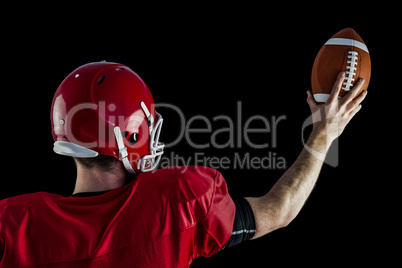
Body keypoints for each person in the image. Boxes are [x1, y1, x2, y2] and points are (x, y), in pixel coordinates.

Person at [0, 62, 367, 267]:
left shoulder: (12, 222)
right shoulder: (179, 201)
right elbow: (280, 210)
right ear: (128, 137)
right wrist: (324, 134)